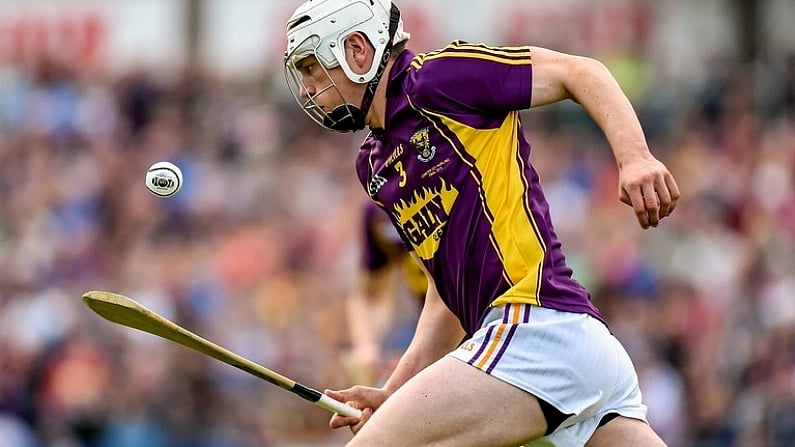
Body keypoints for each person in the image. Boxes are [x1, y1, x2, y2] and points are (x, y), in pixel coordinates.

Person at [283, 0, 680, 445]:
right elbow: (444, 299)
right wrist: (394, 392)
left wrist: (635, 157)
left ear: (358, 49)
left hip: (534, 329)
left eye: (312, 68)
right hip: (568, 351)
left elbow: (580, 71)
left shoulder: (439, 78)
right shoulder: (374, 165)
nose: (309, 87)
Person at [344, 199, 427, 386]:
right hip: (431, 326)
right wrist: (366, 348)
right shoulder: (377, 211)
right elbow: (371, 296)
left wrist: (423, 356)